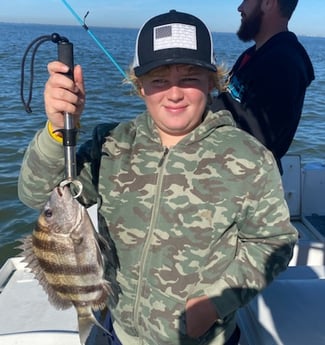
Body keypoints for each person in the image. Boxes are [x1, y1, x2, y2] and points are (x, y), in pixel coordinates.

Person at [18, 10, 298, 345]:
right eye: (159, 80)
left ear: (213, 81)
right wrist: (58, 130)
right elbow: (37, 194)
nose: (174, 93)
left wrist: (215, 302)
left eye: (190, 77)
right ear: (139, 86)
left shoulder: (248, 158)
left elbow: (274, 241)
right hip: (116, 329)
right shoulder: (112, 146)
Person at [211, 0, 314, 173]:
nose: (240, 7)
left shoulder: (283, 63)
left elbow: (255, 142)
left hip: (244, 186)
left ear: (268, 3)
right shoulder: (254, 54)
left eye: (246, 1)